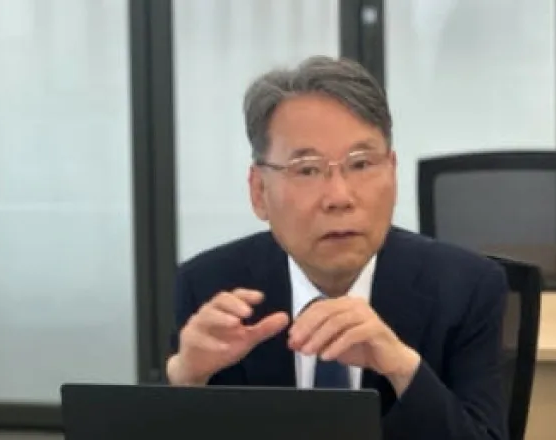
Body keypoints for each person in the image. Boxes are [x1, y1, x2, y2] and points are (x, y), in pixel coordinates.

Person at [167, 55, 508, 440]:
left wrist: (402, 368)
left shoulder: (465, 289)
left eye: (361, 164)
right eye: (308, 169)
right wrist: (186, 381)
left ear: (393, 174)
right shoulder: (210, 286)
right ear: (259, 192)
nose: (339, 197)